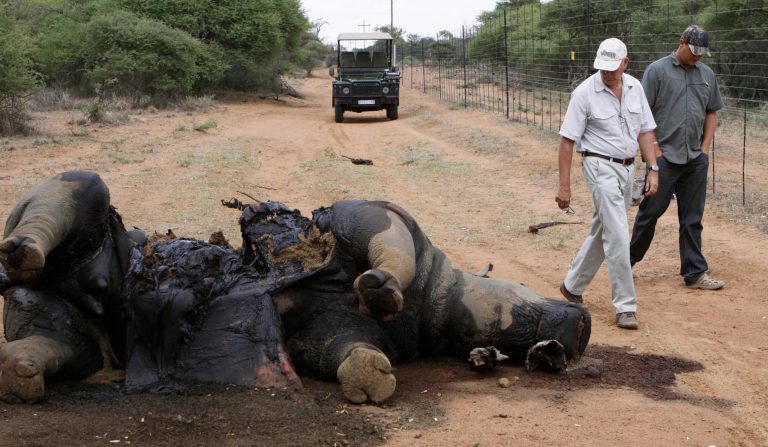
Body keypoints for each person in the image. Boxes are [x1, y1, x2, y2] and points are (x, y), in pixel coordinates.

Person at [555, 37, 658, 330]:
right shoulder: (584, 93)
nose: (608, 73)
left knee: (605, 229)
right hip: (598, 166)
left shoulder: (635, 88)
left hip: (627, 169)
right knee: (617, 234)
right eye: (603, 67)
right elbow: (566, 142)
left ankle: (572, 286)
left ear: (626, 63)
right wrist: (564, 186)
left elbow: (646, 132)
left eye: (613, 67)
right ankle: (626, 306)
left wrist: (653, 168)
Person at [629, 25, 725, 290]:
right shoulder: (657, 71)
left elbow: (711, 112)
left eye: (702, 54)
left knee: (692, 217)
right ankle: (627, 262)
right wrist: (654, 153)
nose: (698, 58)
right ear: (681, 42)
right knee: (650, 213)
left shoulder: (706, 74)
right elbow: (642, 115)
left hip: (695, 158)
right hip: (664, 157)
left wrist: (705, 149)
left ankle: (695, 273)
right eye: (694, 52)